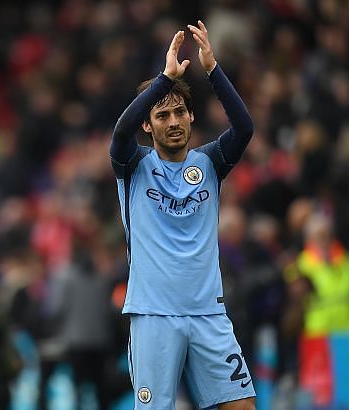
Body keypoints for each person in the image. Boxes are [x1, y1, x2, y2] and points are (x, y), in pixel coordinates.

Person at [110, 22, 256, 409]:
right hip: (154, 316)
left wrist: (212, 69)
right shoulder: (133, 164)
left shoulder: (209, 161)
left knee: (242, 405)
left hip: (209, 312)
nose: (173, 122)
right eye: (162, 116)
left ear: (191, 117)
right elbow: (119, 134)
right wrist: (165, 80)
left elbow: (244, 128)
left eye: (180, 112)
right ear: (148, 125)